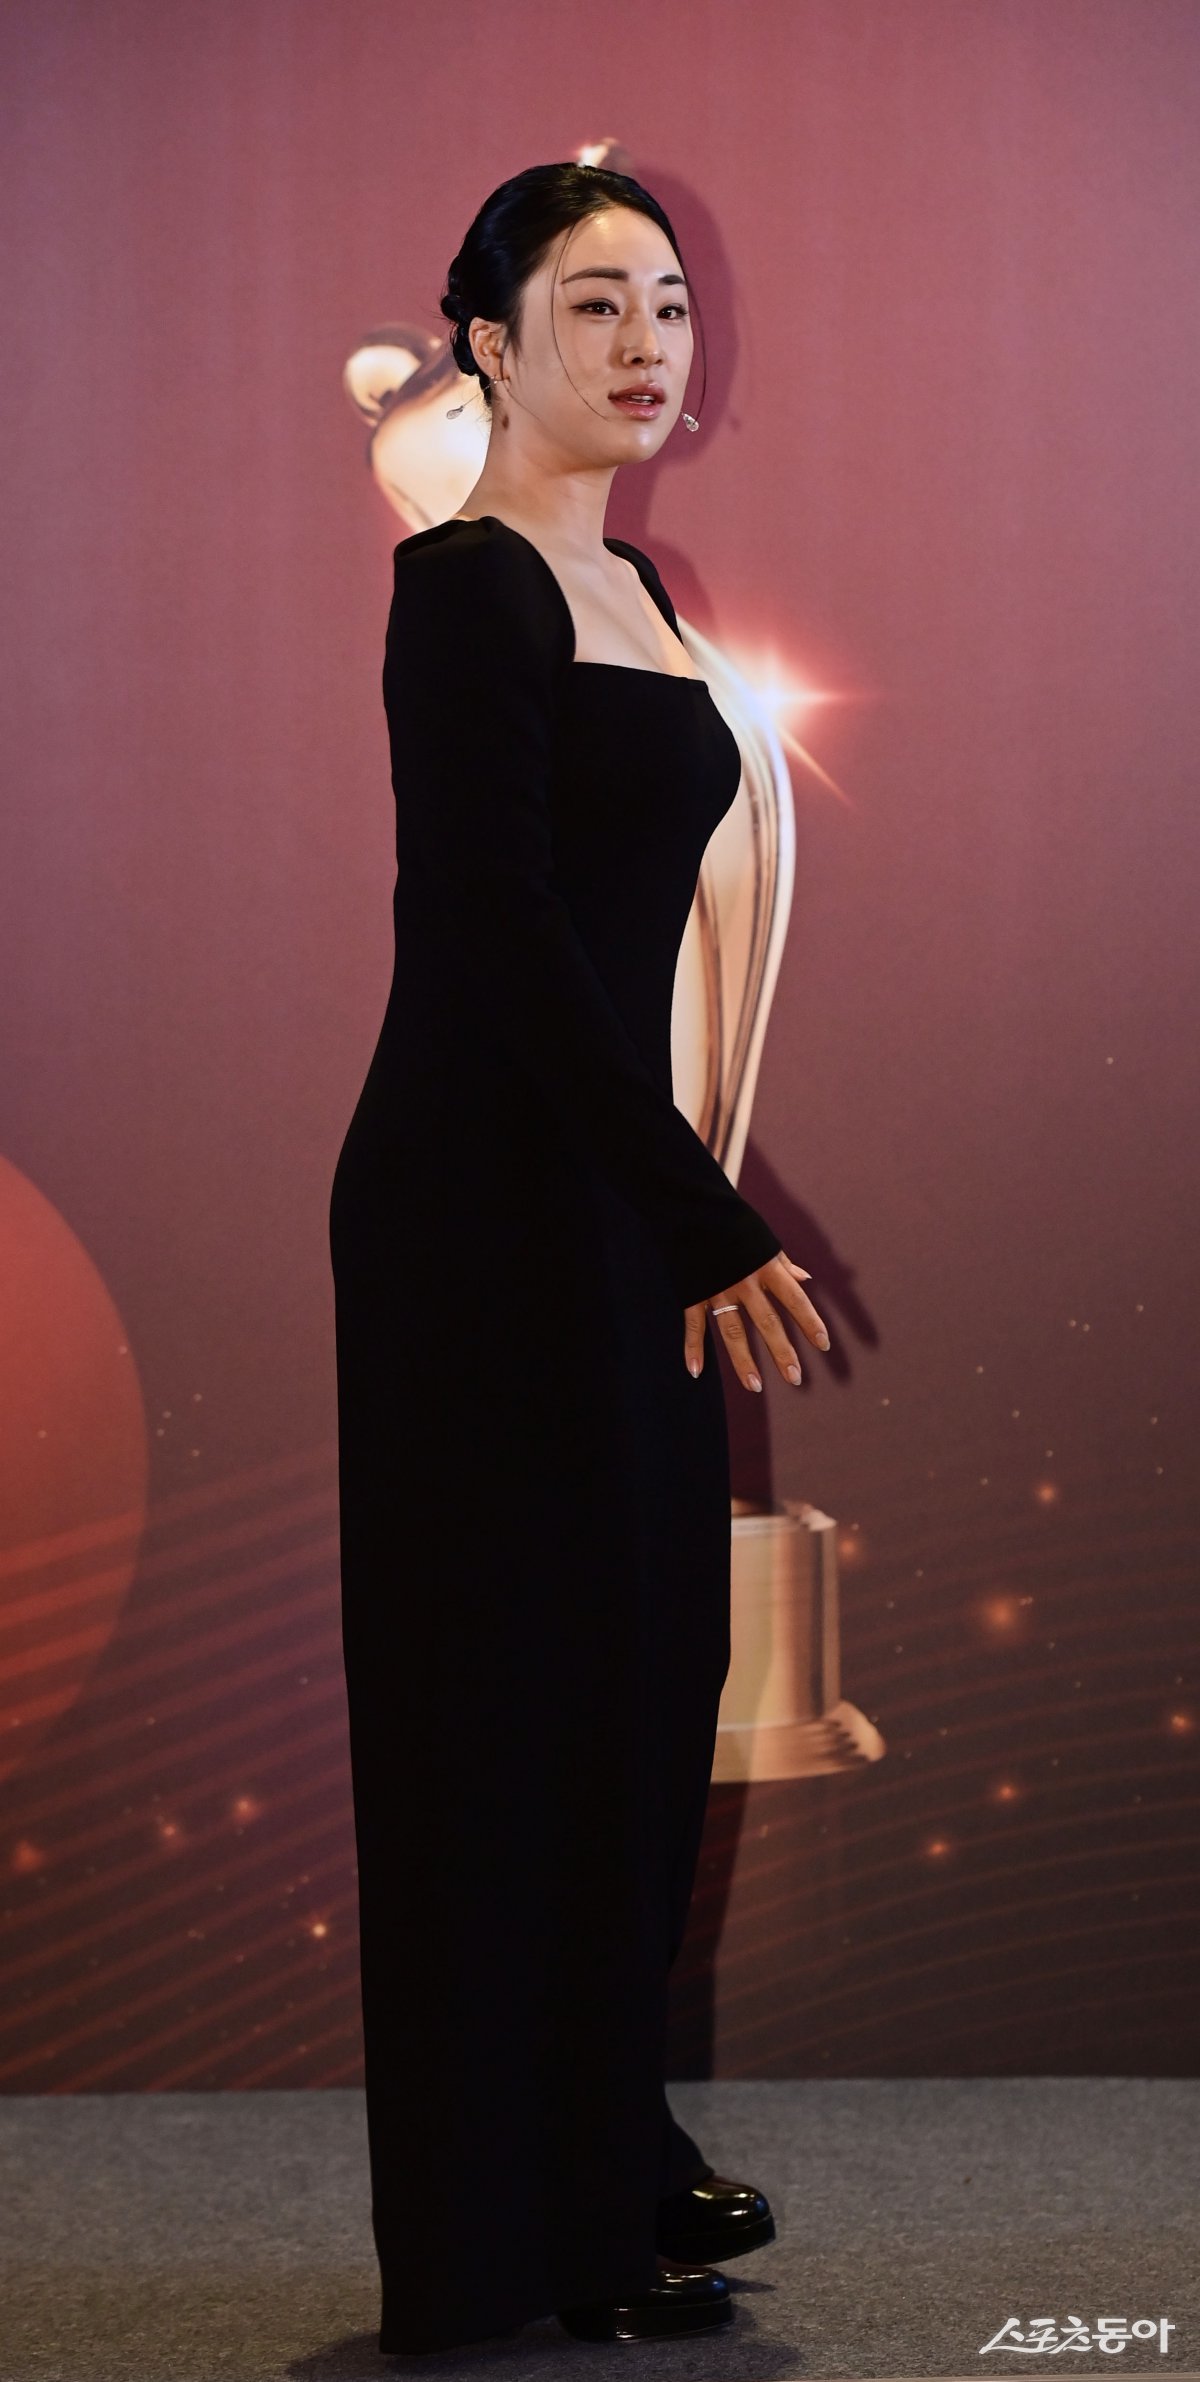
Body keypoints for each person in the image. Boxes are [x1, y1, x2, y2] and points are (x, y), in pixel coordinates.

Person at [329, 159, 832, 2357]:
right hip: (479, 1215)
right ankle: (489, 2239)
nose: (647, 344)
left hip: (617, 1205)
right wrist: (699, 1207)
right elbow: (499, 932)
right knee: (500, 1712)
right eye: (596, 303)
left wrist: (681, 1190)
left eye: (669, 305)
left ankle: (606, 2163)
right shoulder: (467, 590)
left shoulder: (636, 585)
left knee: (634, 1694)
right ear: (489, 342)